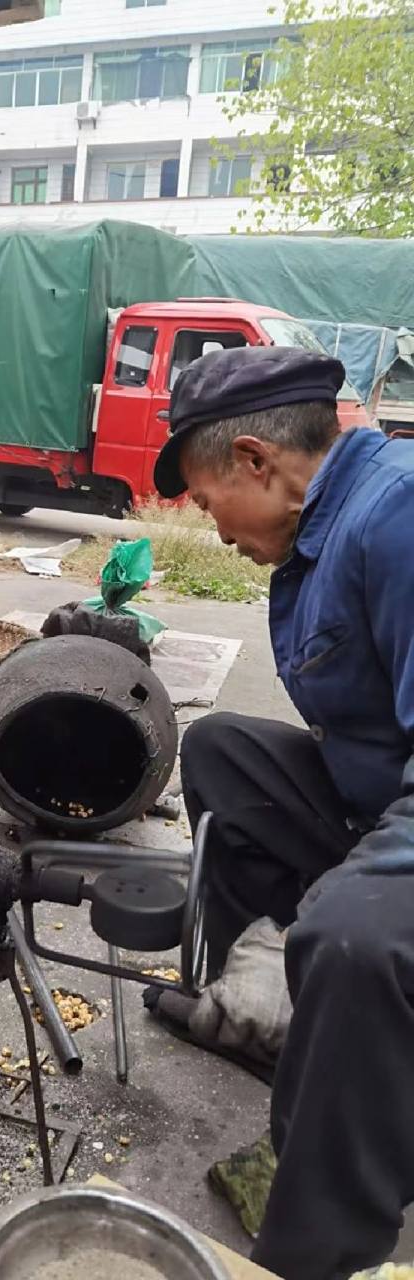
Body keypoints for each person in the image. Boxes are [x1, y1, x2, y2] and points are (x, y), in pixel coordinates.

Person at [152, 345, 414, 1280]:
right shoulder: (323, 525)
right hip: (375, 796)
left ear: (257, 461)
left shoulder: (399, 517)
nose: (214, 530)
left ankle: (318, 1250)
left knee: (349, 937)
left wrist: (359, 892)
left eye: (210, 502)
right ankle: (285, 1032)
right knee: (222, 752)